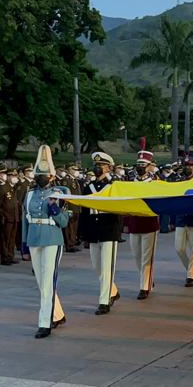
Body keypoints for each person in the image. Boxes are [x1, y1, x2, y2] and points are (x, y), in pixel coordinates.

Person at [21, 145, 70, 339]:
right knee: (41, 282)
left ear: (52, 176)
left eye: (45, 175)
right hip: (34, 238)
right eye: (38, 175)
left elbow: (64, 222)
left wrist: (55, 209)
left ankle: (44, 322)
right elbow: (25, 219)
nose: (41, 179)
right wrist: (24, 244)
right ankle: (57, 313)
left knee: (48, 281)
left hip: (52, 238)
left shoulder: (59, 193)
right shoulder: (30, 194)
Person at [80, 152, 122, 314]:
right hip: (93, 229)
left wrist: (117, 231)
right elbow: (84, 211)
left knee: (106, 267)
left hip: (108, 229)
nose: (98, 168)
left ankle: (104, 301)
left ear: (109, 167)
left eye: (101, 165)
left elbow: (119, 210)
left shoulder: (114, 186)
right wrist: (83, 233)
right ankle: (112, 291)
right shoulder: (88, 187)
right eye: (96, 165)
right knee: (97, 266)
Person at [126, 151, 159, 300]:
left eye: (143, 165)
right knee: (137, 256)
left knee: (147, 256)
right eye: (138, 164)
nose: (139, 167)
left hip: (149, 222)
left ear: (149, 166)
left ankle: (144, 286)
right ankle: (147, 280)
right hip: (134, 222)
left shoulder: (155, 182)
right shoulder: (130, 182)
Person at [173, 161, 193, 287]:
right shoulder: (177, 182)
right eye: (186, 166)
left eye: (191, 166)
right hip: (180, 218)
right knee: (179, 248)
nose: (188, 168)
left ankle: (191, 275)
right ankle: (190, 269)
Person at [0, 167, 20, 266]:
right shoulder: (3, 187)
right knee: (5, 238)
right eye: (12, 175)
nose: (14, 177)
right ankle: (5, 257)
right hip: (6, 217)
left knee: (12, 238)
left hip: (14, 217)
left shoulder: (12, 187)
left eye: (15, 175)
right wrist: (2, 215)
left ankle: (10, 255)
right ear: (8, 177)